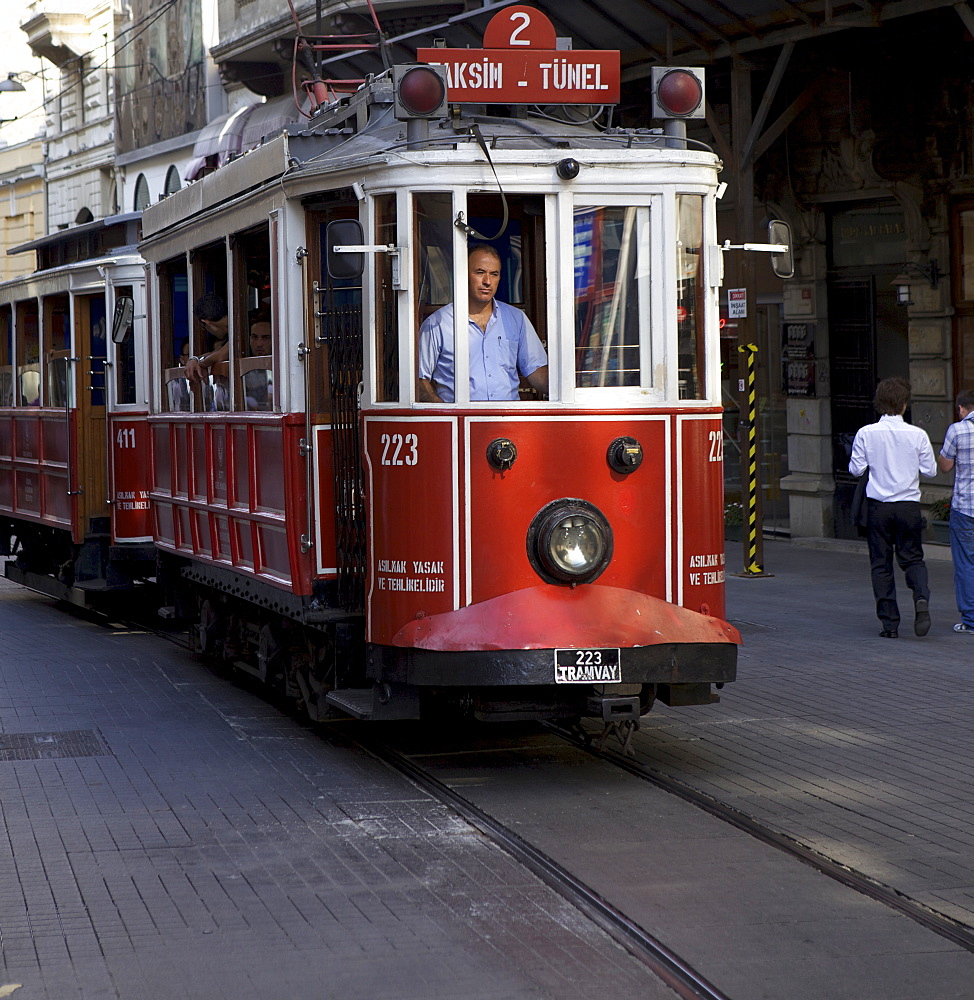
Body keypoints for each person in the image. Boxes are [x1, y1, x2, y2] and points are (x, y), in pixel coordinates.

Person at [849, 376, 936, 638]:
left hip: (879, 507)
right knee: (913, 558)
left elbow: (856, 470)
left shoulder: (866, 433)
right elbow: (930, 470)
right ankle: (920, 597)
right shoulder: (917, 434)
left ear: (879, 403)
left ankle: (890, 624)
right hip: (908, 505)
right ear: (904, 404)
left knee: (881, 564)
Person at [417, 244, 548, 403]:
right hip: (460, 422)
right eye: (480, 272)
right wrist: (444, 414)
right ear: (463, 274)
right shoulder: (437, 323)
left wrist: (574, 389)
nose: (487, 281)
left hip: (507, 420)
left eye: (494, 274)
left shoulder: (516, 318)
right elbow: (419, 381)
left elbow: (537, 371)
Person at [937, 389, 974, 634]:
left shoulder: (957, 430)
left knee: (966, 564)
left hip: (965, 508)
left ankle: (971, 620)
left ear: (961, 408)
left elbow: (946, 466)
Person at [185, 294, 229, 383]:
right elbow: (214, 353)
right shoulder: (229, 334)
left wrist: (200, 365)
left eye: (203, 328)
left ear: (206, 322)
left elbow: (221, 355)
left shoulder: (240, 328)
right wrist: (194, 359)